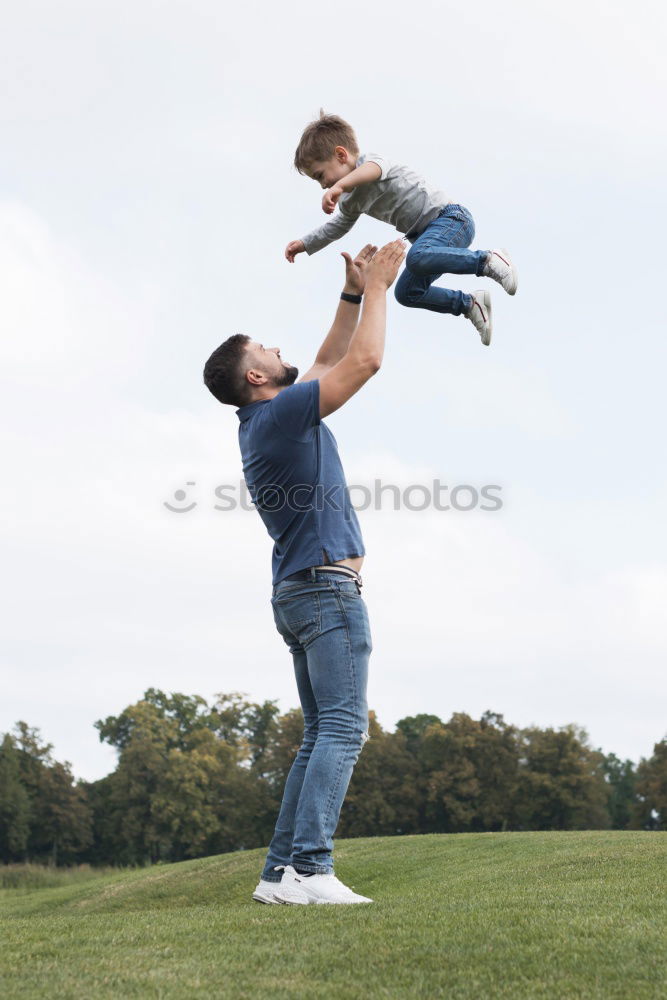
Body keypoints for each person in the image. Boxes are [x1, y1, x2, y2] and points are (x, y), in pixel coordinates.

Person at [203, 240, 405, 905]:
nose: (275, 347)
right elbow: (364, 361)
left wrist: (349, 293)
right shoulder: (280, 415)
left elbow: (323, 361)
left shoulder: (265, 418)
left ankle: (277, 876)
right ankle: (311, 870)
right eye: (262, 347)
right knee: (344, 730)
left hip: (298, 591)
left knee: (320, 734)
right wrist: (379, 287)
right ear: (253, 376)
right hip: (324, 591)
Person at [285, 111, 518, 347]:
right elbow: (337, 227)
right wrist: (306, 243)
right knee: (406, 292)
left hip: (452, 220)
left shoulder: (371, 162)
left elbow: (372, 171)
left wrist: (340, 185)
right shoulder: (349, 200)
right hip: (428, 242)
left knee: (416, 257)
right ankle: (469, 304)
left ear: (341, 155)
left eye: (320, 175)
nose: (323, 184)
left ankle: (488, 260)